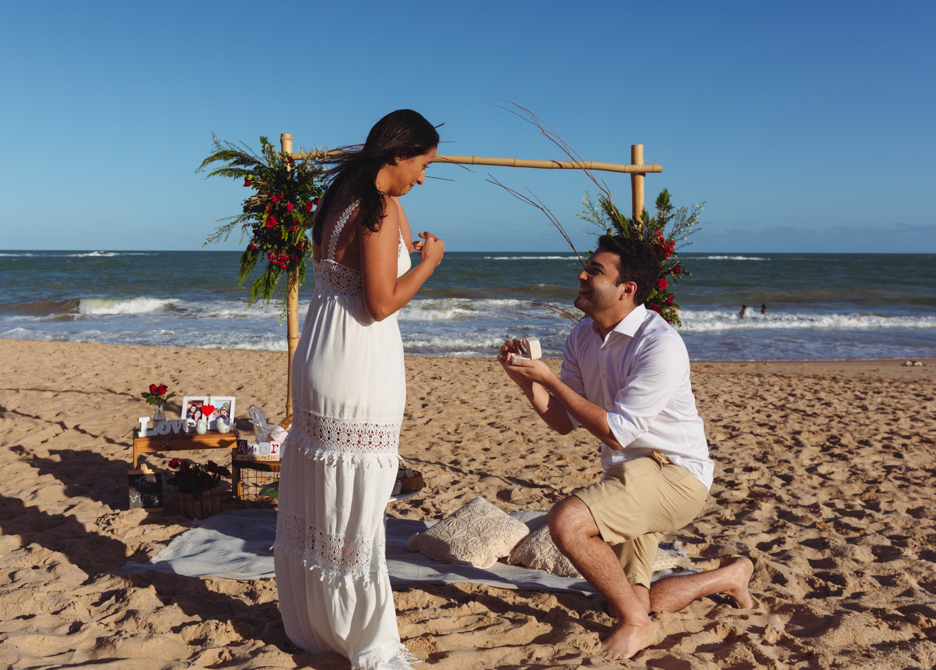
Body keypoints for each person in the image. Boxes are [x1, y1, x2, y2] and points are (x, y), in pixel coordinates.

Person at [498, 235, 754, 660]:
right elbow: (564, 422)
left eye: (595, 271)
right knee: (637, 600)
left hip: (677, 476)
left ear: (626, 289)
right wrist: (527, 381)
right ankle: (729, 576)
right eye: (585, 267)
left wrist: (549, 380)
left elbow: (617, 432)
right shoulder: (582, 335)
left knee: (566, 521)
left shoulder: (660, 344)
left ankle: (639, 629)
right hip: (628, 477)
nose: (581, 275)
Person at [274, 109, 444, 669]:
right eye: (423, 165)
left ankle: (320, 622)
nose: (423, 177)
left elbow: (353, 271)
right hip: (356, 357)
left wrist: (406, 251)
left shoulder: (342, 193)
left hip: (321, 348)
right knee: (359, 503)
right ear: (399, 154)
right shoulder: (377, 209)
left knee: (327, 493)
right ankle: (361, 633)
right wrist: (429, 265)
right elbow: (380, 302)